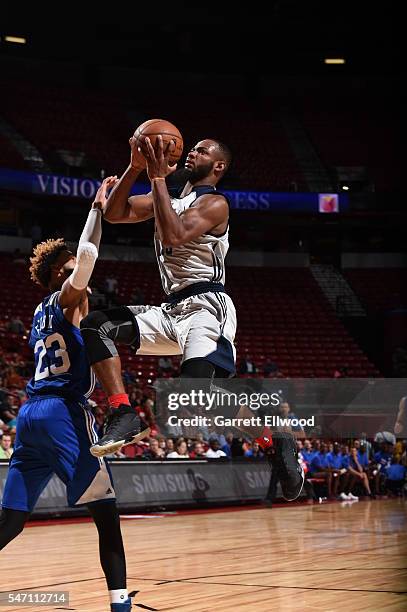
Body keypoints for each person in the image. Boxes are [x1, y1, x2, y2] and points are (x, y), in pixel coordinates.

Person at [80, 133, 303, 501]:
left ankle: (273, 437)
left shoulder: (215, 203)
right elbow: (118, 213)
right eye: (193, 146)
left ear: (218, 166)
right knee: (95, 324)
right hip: (172, 308)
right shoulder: (170, 196)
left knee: (191, 399)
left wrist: (154, 177)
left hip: (206, 306)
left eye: (202, 150)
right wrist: (134, 168)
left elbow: (174, 234)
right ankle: (122, 413)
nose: (192, 152)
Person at [0, 177, 135, 612]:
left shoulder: (40, 312)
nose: (74, 265)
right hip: (61, 411)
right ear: (59, 275)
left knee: (12, 519)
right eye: (66, 264)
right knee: (106, 512)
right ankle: (119, 603)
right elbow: (90, 254)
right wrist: (97, 210)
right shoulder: (66, 298)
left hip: (29, 416)